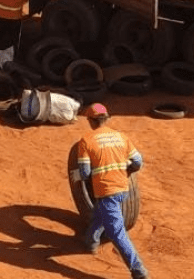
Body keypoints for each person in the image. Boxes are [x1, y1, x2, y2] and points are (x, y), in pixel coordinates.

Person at [76, 103, 149, 279]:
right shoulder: (121, 137)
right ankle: (91, 241)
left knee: (116, 232)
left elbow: (85, 173)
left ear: (91, 121)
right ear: (106, 119)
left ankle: (138, 270)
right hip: (123, 189)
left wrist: (80, 174)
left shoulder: (86, 141)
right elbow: (138, 162)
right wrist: (124, 170)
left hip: (106, 191)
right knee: (102, 213)